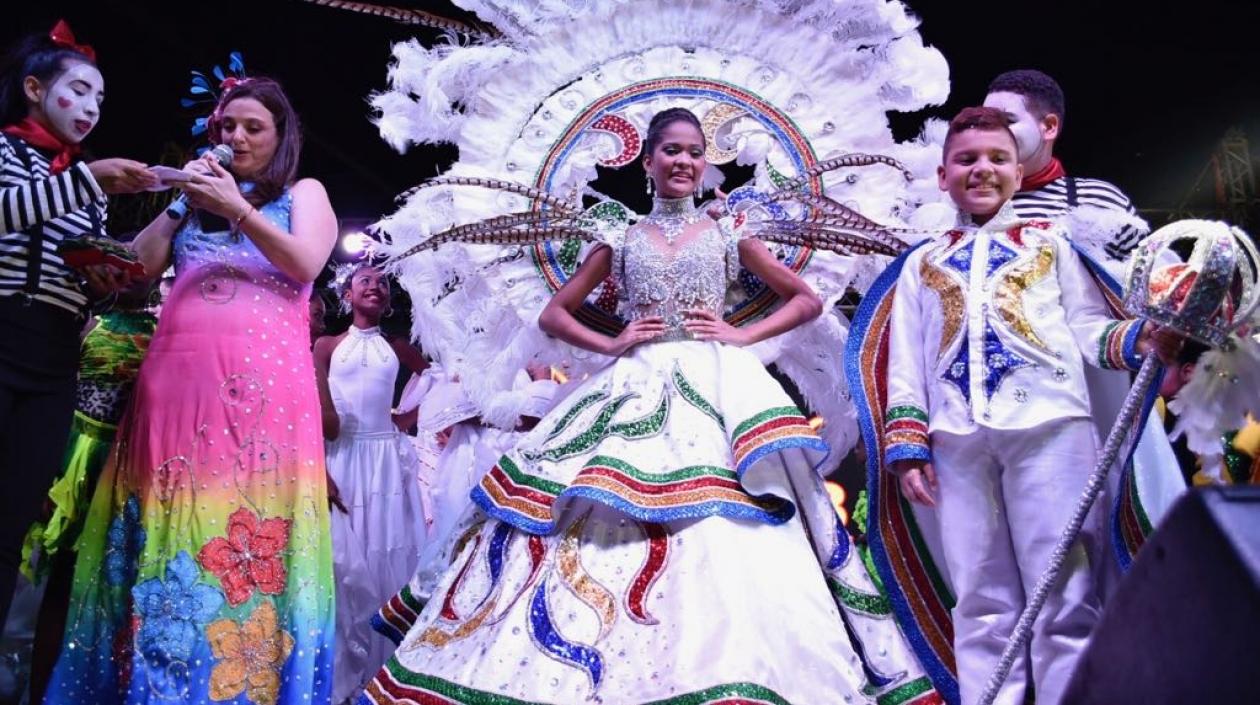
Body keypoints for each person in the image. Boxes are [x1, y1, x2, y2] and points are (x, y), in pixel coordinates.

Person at [359, 107, 935, 705]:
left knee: (726, 519)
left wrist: (740, 336)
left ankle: (725, 662)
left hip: (718, 386)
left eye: (694, 151)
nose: (683, 161)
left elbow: (806, 300)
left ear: (704, 161)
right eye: (672, 151)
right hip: (631, 382)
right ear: (648, 160)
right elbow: (555, 313)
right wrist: (612, 341)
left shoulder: (728, 229)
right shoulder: (620, 234)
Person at [45, 76, 338, 703]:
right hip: (173, 389)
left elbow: (306, 263)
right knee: (162, 518)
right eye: (226, 127)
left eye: (252, 127)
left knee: (240, 524)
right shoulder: (195, 204)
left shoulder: (303, 192)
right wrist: (180, 200)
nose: (235, 137)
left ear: (282, 137)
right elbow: (135, 270)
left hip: (263, 399)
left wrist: (237, 208)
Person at [878, 106, 1177, 705]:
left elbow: (1089, 329)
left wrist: (1139, 339)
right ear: (943, 176)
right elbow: (904, 361)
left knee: (1065, 591)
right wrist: (907, 447)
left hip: (1053, 432)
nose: (982, 169)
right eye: (966, 160)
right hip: (957, 441)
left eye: (997, 158)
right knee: (980, 599)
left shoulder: (1053, 246)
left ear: (1019, 172)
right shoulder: (920, 262)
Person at [0, 21, 157, 629]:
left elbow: (72, 271)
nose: (91, 107)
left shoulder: (87, 186)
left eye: (100, 98)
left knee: (13, 520)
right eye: (80, 90)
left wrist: (101, 279)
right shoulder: (10, 153)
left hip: (55, 357)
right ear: (35, 88)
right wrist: (86, 180)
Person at [313, 261, 428, 704]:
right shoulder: (326, 344)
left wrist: (405, 419)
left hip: (384, 459)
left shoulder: (398, 346)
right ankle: (344, 661)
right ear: (347, 295)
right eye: (366, 281)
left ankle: (384, 668)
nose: (375, 287)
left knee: (386, 547)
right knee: (347, 555)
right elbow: (317, 406)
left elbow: (433, 378)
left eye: (382, 283)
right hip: (343, 457)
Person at [984, 69, 1147, 272]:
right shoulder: (956, 203)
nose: (991, 132)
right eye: (985, 122)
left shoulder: (1098, 200)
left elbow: (1149, 288)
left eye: (1008, 121)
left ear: (1049, 126)